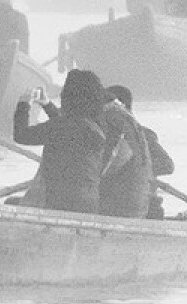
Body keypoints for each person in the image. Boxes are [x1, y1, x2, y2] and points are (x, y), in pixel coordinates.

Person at [11, 70, 116, 215]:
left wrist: (24, 104)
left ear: (68, 96)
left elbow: (21, 135)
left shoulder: (62, 127)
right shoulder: (97, 126)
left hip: (60, 204)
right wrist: (47, 104)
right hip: (89, 204)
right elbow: (66, 128)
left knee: (11, 203)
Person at [104, 84, 174, 217]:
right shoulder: (109, 133)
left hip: (144, 205)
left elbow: (167, 165)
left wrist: (140, 169)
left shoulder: (144, 136)